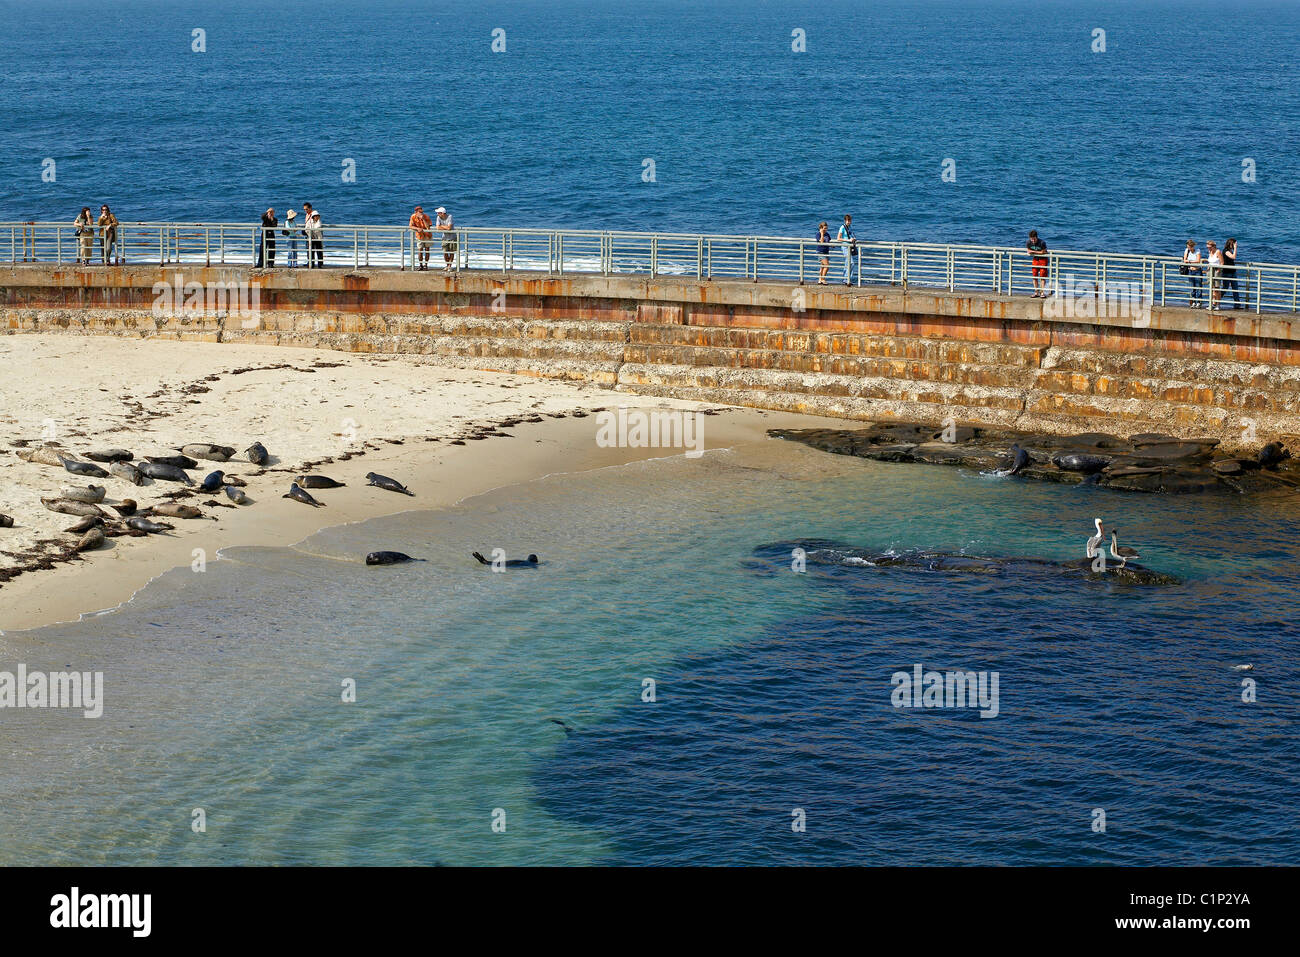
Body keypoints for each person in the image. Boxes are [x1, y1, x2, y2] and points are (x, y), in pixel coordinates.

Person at [409, 205, 433, 270]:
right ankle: (420, 265)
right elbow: (410, 226)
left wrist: (423, 219)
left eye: (421, 212)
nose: (421, 213)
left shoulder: (426, 216)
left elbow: (428, 227)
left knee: (427, 250)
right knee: (420, 250)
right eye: (419, 212)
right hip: (419, 236)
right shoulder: (413, 217)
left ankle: (426, 265)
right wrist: (417, 228)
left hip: (427, 235)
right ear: (416, 212)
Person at [1027, 230, 1049, 297]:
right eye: (1031, 239)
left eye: (1034, 239)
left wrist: (1033, 251)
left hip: (1043, 259)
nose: (1033, 241)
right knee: (1034, 275)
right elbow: (1028, 251)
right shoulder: (1029, 242)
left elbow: (1044, 252)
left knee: (1042, 276)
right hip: (1035, 259)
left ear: (1036, 237)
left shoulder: (1042, 242)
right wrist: (1038, 252)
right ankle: (1036, 292)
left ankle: (1042, 292)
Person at [836, 214, 857, 285]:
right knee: (851, 263)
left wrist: (853, 239)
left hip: (849, 246)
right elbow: (838, 238)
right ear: (845, 221)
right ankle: (846, 279)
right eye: (847, 220)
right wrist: (848, 240)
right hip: (845, 246)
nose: (848, 222)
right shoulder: (842, 227)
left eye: (849, 220)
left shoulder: (849, 227)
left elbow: (851, 235)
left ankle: (846, 279)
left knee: (847, 263)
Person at [1182, 240, 1203, 307]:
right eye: (1188, 247)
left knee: (1199, 286)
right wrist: (1190, 261)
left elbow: (1198, 261)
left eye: (1190, 247)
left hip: (1197, 270)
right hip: (1190, 270)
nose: (1189, 248)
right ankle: (1193, 301)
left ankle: (1199, 302)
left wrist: (1189, 261)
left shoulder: (1197, 251)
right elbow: (1184, 260)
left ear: (1193, 246)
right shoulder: (1186, 250)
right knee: (1192, 287)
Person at [435, 206, 456, 273]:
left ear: (442, 213)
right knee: (445, 252)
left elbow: (449, 228)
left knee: (451, 252)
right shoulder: (438, 218)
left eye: (438, 213)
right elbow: (438, 227)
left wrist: (442, 226)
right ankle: (447, 265)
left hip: (452, 237)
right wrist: (445, 227)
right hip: (444, 237)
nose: (437, 214)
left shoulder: (450, 217)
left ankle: (450, 266)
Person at [1222, 238, 1241, 309]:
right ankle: (1215, 301)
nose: (1235, 245)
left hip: (1233, 272)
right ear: (1231, 244)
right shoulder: (1226, 251)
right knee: (1225, 288)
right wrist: (1235, 248)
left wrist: (1234, 249)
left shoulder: (1230, 250)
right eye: (1234, 244)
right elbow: (1233, 257)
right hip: (1227, 272)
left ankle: (1237, 304)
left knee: (1235, 288)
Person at [303, 203, 323, 268]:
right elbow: (307, 225)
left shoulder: (314, 213)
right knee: (310, 250)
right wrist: (309, 232)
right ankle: (310, 263)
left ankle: (320, 264)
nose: (305, 210)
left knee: (318, 250)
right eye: (304, 209)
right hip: (310, 235)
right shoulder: (307, 215)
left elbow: (318, 226)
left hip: (316, 236)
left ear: (310, 208)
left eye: (306, 209)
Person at [1205, 240, 1223, 310]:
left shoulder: (1218, 252)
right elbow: (1210, 261)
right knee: (1211, 288)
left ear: (1213, 246)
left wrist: (1218, 270)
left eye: (1209, 247)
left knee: (1217, 288)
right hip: (1210, 270)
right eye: (1207, 247)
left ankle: (1218, 304)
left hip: (1216, 271)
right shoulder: (1210, 252)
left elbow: (1222, 262)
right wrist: (1207, 268)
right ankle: (1212, 304)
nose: (1208, 249)